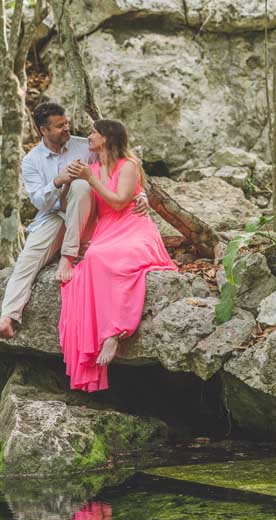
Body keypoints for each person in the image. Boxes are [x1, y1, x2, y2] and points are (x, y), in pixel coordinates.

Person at [0, 102, 149, 339]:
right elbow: (40, 204)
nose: (67, 129)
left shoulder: (86, 147)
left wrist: (140, 193)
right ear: (44, 130)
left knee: (83, 184)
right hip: (54, 216)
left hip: (89, 216)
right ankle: (7, 319)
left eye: (66, 123)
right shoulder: (32, 161)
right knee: (28, 259)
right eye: (59, 126)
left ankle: (68, 255)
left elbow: (119, 165)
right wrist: (57, 181)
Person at [58, 119, 177, 392]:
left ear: (107, 138)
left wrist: (91, 179)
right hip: (107, 229)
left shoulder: (129, 166)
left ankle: (114, 332)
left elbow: (119, 201)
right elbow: (81, 203)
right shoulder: (94, 167)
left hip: (133, 227)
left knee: (107, 259)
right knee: (94, 258)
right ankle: (104, 333)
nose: (88, 136)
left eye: (93, 132)